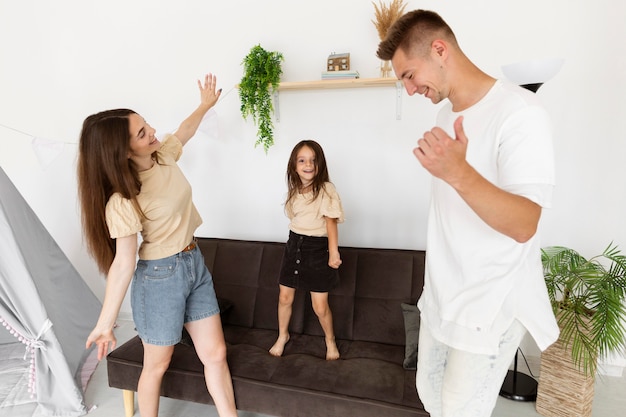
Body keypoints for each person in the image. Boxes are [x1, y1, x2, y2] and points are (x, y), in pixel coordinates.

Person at [377, 10, 559, 417]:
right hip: (444, 295)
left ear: (439, 50)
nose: (408, 90)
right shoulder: (447, 115)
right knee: (429, 394)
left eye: (408, 75)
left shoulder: (521, 113)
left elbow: (524, 224)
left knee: (459, 410)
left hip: (490, 301)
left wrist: (459, 173)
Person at [78, 74, 238, 417]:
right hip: (159, 279)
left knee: (216, 354)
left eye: (145, 123)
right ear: (121, 151)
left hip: (194, 264)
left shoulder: (163, 155)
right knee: (156, 365)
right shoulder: (122, 200)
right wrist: (105, 322)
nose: (151, 131)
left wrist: (205, 105)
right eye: (141, 132)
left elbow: (184, 130)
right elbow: (123, 264)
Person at [269, 140, 344, 361]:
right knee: (284, 297)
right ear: (294, 166)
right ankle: (283, 336)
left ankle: (330, 340)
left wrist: (333, 253)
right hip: (294, 246)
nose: (308, 164)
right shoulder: (294, 192)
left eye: (313, 160)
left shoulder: (326, 189)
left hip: (317, 250)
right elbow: (295, 220)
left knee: (320, 307)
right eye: (302, 160)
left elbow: (331, 222)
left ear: (320, 164)